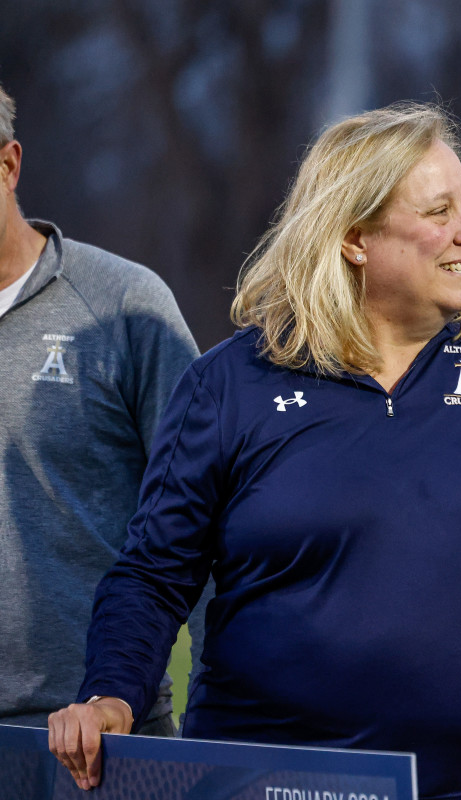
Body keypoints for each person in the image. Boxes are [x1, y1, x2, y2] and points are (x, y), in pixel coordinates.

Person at [46, 101, 461, 800]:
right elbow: (154, 573)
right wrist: (113, 692)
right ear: (355, 238)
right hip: (263, 783)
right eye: (439, 212)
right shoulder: (232, 383)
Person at [0, 83, 200, 736]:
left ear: (8, 165)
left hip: (96, 741)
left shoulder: (122, 306)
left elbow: (210, 515)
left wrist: (236, 724)